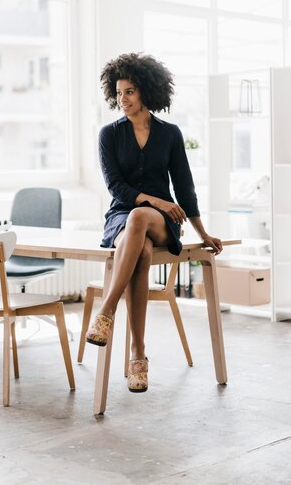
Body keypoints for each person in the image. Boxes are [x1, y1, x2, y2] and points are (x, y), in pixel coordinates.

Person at [86, 52, 222, 393]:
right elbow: (115, 186)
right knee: (141, 252)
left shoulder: (170, 134)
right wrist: (155, 199)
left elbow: (185, 187)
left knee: (141, 217)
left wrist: (202, 232)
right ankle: (139, 356)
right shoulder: (108, 135)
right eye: (118, 92)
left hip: (162, 221)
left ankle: (106, 311)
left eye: (130, 91)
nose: (123, 99)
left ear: (146, 91)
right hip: (122, 216)